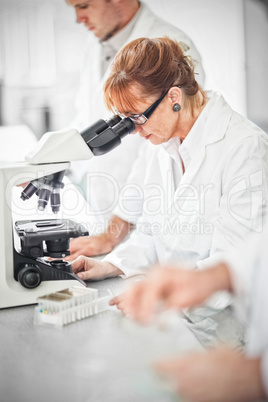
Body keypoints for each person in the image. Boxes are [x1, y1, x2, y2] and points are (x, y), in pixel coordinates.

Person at [71, 37, 268, 336]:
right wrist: (111, 265)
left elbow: (233, 265)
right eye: (127, 120)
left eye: (138, 117)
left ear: (173, 96)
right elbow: (152, 234)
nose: (135, 131)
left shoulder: (245, 148)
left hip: (226, 336)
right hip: (176, 323)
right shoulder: (163, 141)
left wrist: (159, 292)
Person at [65, 0, 205, 259]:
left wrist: (113, 232)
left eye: (84, 5)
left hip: (139, 221)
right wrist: (53, 162)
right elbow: (85, 118)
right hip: (108, 216)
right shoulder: (96, 48)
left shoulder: (171, 51)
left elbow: (156, 153)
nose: (78, 18)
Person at [109, 224, 268, 401]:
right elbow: (260, 249)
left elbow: (240, 233)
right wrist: (214, 276)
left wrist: (257, 376)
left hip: (224, 334)